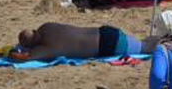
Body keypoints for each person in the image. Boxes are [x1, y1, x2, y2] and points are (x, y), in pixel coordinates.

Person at [9, 22, 159, 61]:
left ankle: (170, 43)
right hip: (105, 31)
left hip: (107, 45)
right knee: (144, 44)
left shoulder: (46, 48)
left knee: (148, 49)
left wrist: (13, 53)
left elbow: (24, 58)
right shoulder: (47, 27)